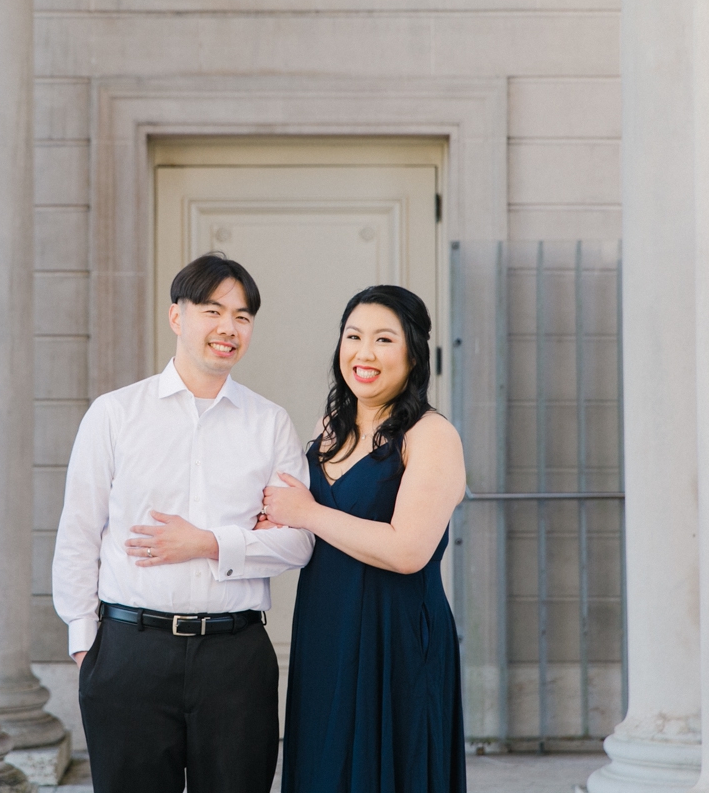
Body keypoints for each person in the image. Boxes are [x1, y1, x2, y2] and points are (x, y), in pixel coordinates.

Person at [52, 253, 314, 793]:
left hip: (235, 658)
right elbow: (79, 531)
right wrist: (85, 644)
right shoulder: (115, 414)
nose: (228, 328)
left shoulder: (270, 424)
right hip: (129, 652)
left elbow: (298, 541)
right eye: (213, 311)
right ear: (178, 317)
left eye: (243, 316)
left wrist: (207, 543)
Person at [260, 284, 468, 793]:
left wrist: (306, 512)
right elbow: (312, 524)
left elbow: (407, 549)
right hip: (326, 629)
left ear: (413, 354)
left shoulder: (431, 434)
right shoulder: (331, 426)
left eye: (383, 339)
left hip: (394, 635)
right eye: (353, 336)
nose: (364, 353)